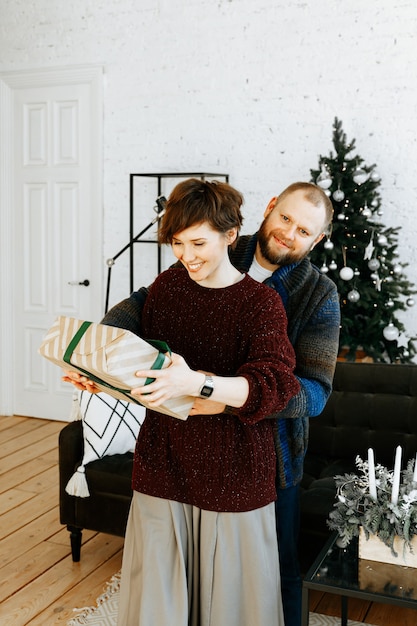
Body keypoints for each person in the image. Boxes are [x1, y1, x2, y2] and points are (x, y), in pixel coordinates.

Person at [99, 181, 341, 626]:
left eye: (304, 230)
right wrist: (95, 354)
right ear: (269, 209)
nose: (289, 233)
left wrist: (216, 395)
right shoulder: (208, 244)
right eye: (285, 218)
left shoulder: (316, 294)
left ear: (317, 239)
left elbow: (312, 391)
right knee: (171, 575)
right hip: (175, 446)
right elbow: (138, 309)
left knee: (268, 578)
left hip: (269, 452)